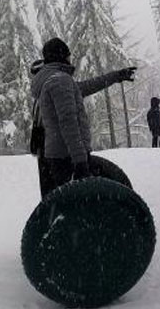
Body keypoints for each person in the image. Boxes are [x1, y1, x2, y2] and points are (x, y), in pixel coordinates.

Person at [30, 37, 137, 198]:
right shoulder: (60, 81)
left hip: (53, 154)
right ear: (61, 56)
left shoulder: (53, 81)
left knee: (57, 201)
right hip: (66, 155)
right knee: (73, 205)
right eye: (68, 55)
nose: (70, 58)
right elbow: (68, 123)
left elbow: (87, 86)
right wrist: (80, 160)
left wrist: (116, 76)